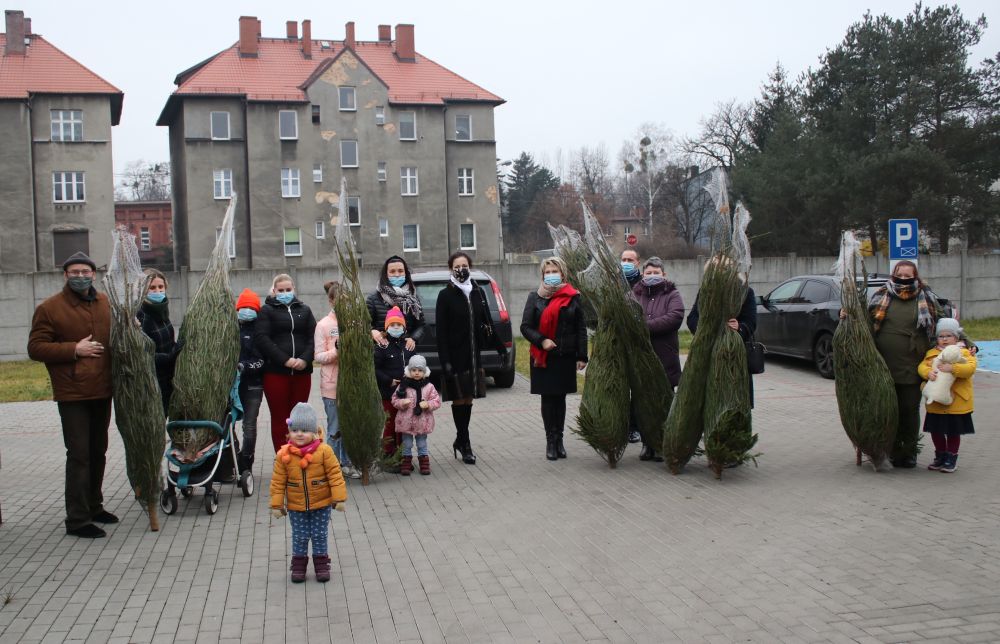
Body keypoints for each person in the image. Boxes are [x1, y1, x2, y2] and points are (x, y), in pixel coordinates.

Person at [27, 252, 118, 538]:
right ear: (65, 275)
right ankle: (77, 519)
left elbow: (114, 335)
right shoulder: (50, 308)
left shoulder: (105, 302)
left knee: (98, 452)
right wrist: (73, 350)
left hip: (103, 389)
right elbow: (36, 347)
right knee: (79, 455)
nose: (81, 276)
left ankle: (94, 505)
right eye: (74, 272)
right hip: (73, 393)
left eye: (86, 271)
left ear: (94, 274)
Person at [435, 251, 508, 464]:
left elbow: (487, 323)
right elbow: (441, 332)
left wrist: (500, 348)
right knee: (458, 398)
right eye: (457, 266)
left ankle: (460, 439)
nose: (461, 269)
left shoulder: (476, 292)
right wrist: (445, 361)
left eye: (464, 265)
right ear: (451, 269)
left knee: (468, 398)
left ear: (470, 266)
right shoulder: (445, 295)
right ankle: (465, 443)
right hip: (455, 355)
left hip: (473, 354)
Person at [868, 260, 941, 468]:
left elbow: (944, 324)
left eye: (909, 276)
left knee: (909, 409)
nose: (904, 279)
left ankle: (908, 452)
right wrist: (844, 316)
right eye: (900, 275)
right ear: (894, 274)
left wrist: (967, 343)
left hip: (912, 364)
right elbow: (866, 321)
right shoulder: (881, 295)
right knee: (889, 410)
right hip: (884, 366)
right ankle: (890, 449)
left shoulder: (926, 296)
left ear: (915, 276)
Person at [269, 403, 347, 583]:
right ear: (289, 432)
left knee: (320, 534)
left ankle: (321, 564)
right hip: (296, 506)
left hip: (321, 504)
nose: (299, 434)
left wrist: (339, 497)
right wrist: (276, 504)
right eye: (295, 430)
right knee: (300, 536)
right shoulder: (284, 455)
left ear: (314, 432)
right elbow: (278, 481)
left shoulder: (324, 451)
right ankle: (298, 565)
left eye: (304, 430)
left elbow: (335, 475)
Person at [520, 257, 588, 461]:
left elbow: (581, 328)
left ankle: (560, 440)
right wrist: (542, 341)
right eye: (547, 272)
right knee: (548, 399)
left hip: (565, 356)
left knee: (560, 399)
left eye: (554, 271)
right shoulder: (535, 297)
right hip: (544, 357)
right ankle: (550, 441)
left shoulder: (573, 297)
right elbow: (525, 327)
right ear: (542, 275)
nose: (551, 275)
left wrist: (582, 355)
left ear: (563, 273)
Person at [255, 274, 317, 453]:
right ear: (274, 291)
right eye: (280, 290)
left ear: (294, 289)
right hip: (276, 373)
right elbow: (262, 338)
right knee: (280, 417)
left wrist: (305, 359)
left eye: (288, 290)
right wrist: (285, 360)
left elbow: (313, 337)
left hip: (302, 373)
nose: (284, 293)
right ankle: (283, 457)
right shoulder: (266, 310)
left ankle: (300, 454)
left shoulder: (305, 310)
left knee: (298, 418)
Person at [632, 257, 685, 461]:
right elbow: (628, 317)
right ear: (642, 274)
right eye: (648, 273)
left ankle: (663, 443)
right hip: (641, 359)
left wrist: (644, 327)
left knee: (664, 403)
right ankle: (648, 444)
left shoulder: (672, 294)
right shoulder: (634, 294)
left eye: (656, 273)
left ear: (664, 275)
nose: (652, 276)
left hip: (665, 358)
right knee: (643, 405)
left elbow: (675, 317)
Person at [687, 271, 758, 406]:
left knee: (735, 404)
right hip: (708, 355)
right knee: (708, 403)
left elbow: (751, 322)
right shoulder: (705, 292)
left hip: (734, 356)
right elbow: (692, 319)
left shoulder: (745, 292)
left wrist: (740, 327)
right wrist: (705, 328)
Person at [918, 318, 976, 473]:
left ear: (956, 338)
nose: (944, 339)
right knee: (936, 431)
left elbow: (970, 369)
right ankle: (940, 455)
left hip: (956, 402)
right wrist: (927, 372)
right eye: (941, 336)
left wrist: (953, 368)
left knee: (953, 432)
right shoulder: (931, 354)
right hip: (936, 403)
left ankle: (951, 457)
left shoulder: (964, 353)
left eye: (948, 336)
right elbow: (921, 366)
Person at [315, 281, 359, 479]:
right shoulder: (323, 325)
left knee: (349, 427)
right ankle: (332, 467)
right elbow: (319, 356)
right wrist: (336, 350)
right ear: (331, 301)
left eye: (347, 302)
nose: (344, 305)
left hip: (352, 384)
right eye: (340, 301)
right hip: (332, 386)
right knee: (335, 428)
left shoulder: (355, 322)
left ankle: (348, 463)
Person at [374, 306, 416, 460]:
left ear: (404, 327)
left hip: (405, 393)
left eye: (399, 325)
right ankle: (387, 453)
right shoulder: (382, 346)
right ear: (386, 327)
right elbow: (375, 368)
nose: (396, 327)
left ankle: (402, 455)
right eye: (392, 325)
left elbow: (416, 365)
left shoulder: (408, 345)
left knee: (403, 425)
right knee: (390, 424)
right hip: (388, 393)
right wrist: (388, 380)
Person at [136, 269, 180, 416]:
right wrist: (170, 356)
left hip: (167, 380)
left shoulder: (162, 311)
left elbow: (168, 341)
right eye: (152, 288)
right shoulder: (140, 315)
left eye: (160, 287)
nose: (157, 291)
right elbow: (141, 355)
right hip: (151, 384)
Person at [391, 355, 442, 475]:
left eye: (420, 370)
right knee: (407, 444)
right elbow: (394, 399)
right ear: (409, 371)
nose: (417, 373)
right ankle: (406, 463)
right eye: (414, 370)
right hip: (406, 422)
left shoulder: (429, 387)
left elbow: (436, 401)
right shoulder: (403, 385)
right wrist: (402, 402)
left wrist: (428, 404)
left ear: (424, 371)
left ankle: (424, 464)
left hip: (422, 422)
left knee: (422, 443)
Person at [367, 255, 425, 351]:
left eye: (401, 271)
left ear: (406, 273)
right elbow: (364, 325)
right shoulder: (373, 298)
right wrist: (372, 332)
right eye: (392, 271)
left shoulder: (412, 298)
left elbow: (420, 325)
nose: (397, 274)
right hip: (381, 354)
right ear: (386, 274)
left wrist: (413, 338)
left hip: (405, 353)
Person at [235, 288, 265, 473]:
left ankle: (246, 462)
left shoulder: (259, 331)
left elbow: (261, 360)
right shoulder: (230, 329)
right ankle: (233, 456)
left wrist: (243, 367)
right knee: (226, 424)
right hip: (231, 387)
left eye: (250, 307)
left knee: (249, 425)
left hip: (253, 385)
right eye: (244, 307)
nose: (247, 310)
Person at [621, 248, 643, 443]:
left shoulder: (644, 284)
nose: (626, 262)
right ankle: (622, 425)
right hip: (620, 343)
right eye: (623, 259)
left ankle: (635, 427)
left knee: (638, 388)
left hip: (639, 345)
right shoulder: (615, 283)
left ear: (638, 263)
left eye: (630, 259)